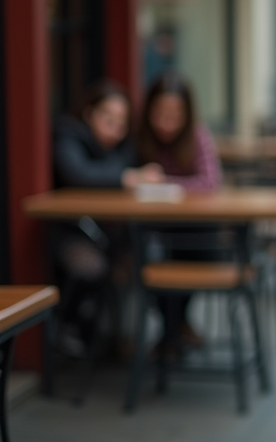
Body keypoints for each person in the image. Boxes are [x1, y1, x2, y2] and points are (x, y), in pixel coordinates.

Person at [52, 80, 164, 354]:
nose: (115, 129)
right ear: (89, 113)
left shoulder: (124, 144)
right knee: (94, 267)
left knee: (148, 254)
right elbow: (78, 173)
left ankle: (132, 337)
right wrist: (129, 176)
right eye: (108, 119)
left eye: (121, 122)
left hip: (109, 234)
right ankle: (74, 330)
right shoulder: (69, 133)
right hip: (70, 231)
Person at [136, 73, 223, 354]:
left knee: (185, 254)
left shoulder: (197, 136)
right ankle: (176, 329)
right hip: (151, 229)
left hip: (192, 230)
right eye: (159, 114)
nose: (166, 123)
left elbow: (210, 182)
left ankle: (171, 334)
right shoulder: (139, 137)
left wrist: (165, 184)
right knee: (141, 257)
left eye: (175, 115)